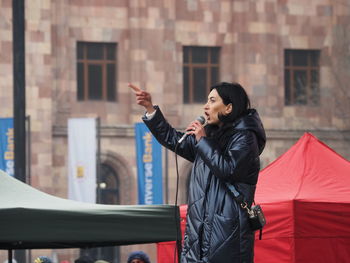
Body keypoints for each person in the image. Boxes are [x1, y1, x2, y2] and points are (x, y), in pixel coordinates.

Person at [130, 81, 266, 263]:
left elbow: (228, 170)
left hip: (226, 240)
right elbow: (174, 140)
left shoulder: (246, 138)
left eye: (212, 101)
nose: (205, 106)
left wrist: (202, 140)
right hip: (197, 241)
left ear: (228, 108)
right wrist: (150, 109)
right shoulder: (208, 138)